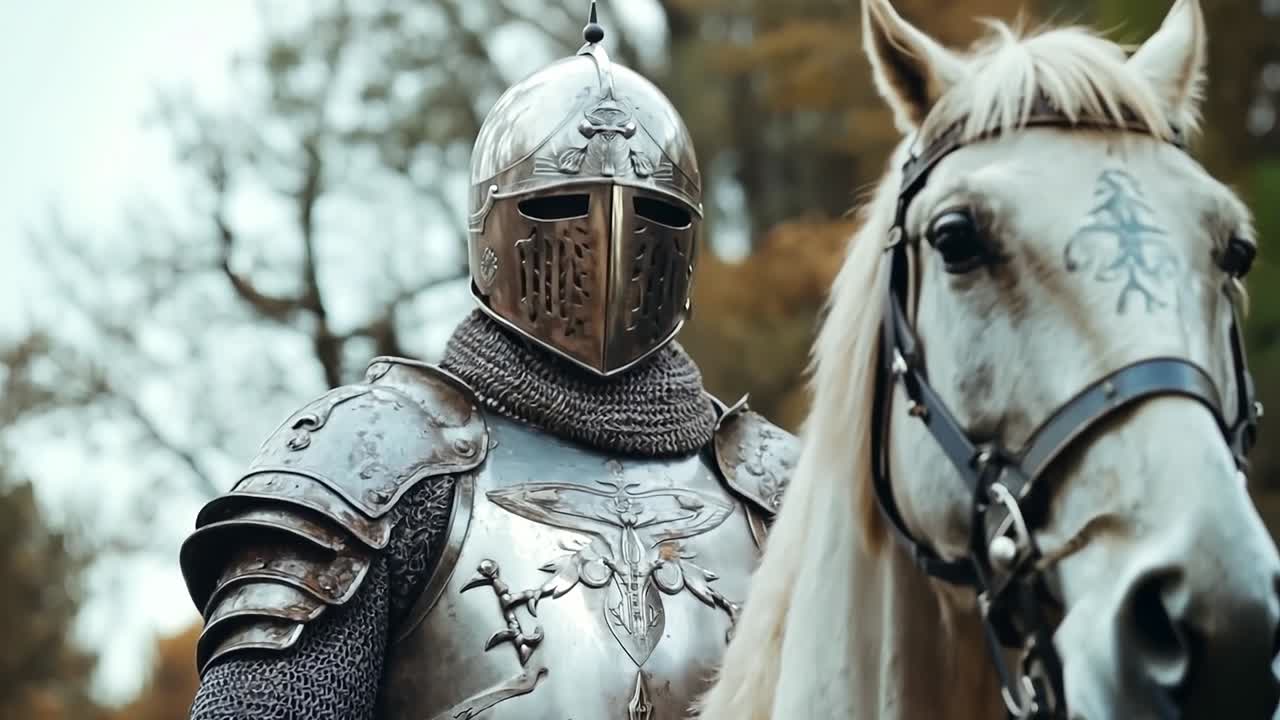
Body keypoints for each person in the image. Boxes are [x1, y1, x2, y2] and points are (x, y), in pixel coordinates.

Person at [180, 4, 796, 718]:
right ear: (491, 230)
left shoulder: (779, 497)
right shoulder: (370, 471)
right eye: (561, 206)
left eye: (652, 216)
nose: (607, 245)